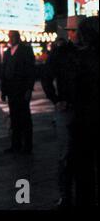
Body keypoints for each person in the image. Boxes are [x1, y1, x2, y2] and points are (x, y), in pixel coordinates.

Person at [41, 16, 81, 209]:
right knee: (66, 154)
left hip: (85, 109)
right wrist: (56, 100)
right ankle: (65, 195)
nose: (73, 34)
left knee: (82, 155)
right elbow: (46, 77)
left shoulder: (89, 52)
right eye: (71, 30)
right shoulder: (62, 52)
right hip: (69, 109)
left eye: (75, 30)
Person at [73, 16, 99, 207]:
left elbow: (74, 88)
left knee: (84, 166)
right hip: (88, 115)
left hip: (85, 117)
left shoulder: (80, 58)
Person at [1, 30, 35, 154]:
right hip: (11, 90)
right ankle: (15, 144)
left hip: (22, 89)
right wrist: (3, 91)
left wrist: (29, 89)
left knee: (25, 118)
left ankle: (27, 145)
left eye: (12, 36)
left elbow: (31, 71)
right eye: (9, 36)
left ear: (18, 37)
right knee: (14, 118)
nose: (10, 39)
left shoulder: (26, 50)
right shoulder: (7, 53)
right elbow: (3, 72)